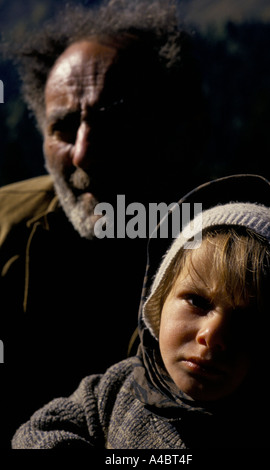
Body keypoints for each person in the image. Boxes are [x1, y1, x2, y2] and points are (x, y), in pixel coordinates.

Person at [0, 1, 205, 445]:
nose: (83, 152)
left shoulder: (229, 253)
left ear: (171, 130)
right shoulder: (4, 234)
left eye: (114, 120)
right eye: (63, 127)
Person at [11, 174, 270, 449]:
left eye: (245, 320)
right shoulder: (118, 386)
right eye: (197, 301)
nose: (213, 335)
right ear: (159, 304)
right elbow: (37, 432)